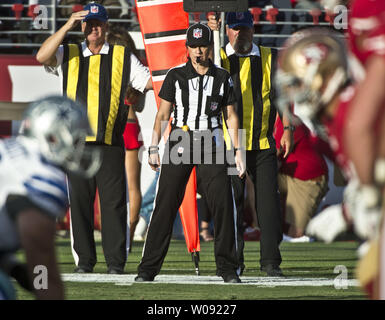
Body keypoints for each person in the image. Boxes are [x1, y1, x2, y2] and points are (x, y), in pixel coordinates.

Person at [36, 2, 152, 274]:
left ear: (106, 26)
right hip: (77, 146)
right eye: (88, 24)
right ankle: (85, 263)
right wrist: (67, 25)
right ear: (82, 26)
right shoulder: (70, 52)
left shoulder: (123, 56)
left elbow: (148, 81)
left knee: (113, 206)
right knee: (79, 206)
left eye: (98, 23)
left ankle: (115, 263)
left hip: (110, 143)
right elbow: (42, 56)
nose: (93, 28)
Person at [135, 23, 246, 284]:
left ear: (210, 47)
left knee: (222, 204)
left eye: (203, 46)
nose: (198, 51)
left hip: (213, 141)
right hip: (180, 139)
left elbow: (230, 115)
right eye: (194, 46)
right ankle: (147, 269)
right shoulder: (175, 76)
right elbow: (163, 114)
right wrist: (153, 147)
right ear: (187, 48)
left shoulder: (222, 77)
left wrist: (238, 151)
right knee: (164, 204)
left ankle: (228, 269)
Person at [208, 11, 293, 277]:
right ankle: (235, 262)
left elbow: (281, 97)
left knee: (268, 204)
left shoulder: (270, 57)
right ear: (228, 31)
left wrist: (287, 129)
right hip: (232, 144)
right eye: (235, 29)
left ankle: (271, 262)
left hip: (262, 141)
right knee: (232, 204)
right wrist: (213, 34)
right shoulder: (219, 58)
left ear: (252, 30)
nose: (240, 34)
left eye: (244, 29)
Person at [0, 95, 100, 300]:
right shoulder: (41, 175)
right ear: (53, 137)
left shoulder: (8, 150)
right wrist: (44, 285)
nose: (80, 147)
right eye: (76, 139)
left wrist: (14, 268)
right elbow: (40, 256)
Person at [106, 26, 144, 253]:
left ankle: (116, 237)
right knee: (133, 187)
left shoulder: (107, 64)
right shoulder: (134, 67)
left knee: (109, 186)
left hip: (109, 126)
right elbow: (139, 106)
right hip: (130, 125)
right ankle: (127, 237)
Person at [274, 114, 329, 241]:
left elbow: (272, 157)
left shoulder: (288, 121)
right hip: (288, 176)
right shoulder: (265, 120)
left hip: (308, 179)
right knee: (254, 179)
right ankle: (255, 227)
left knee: (296, 236)